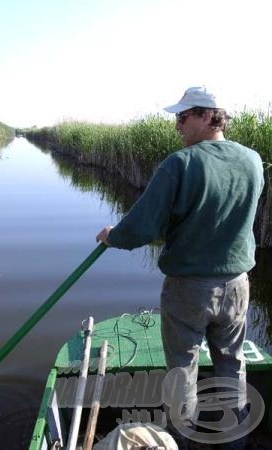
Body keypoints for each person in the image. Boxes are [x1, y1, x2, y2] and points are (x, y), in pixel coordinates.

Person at [95, 86, 265, 449]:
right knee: (231, 365)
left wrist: (113, 236)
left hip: (189, 288)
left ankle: (180, 443)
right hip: (237, 285)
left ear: (208, 116)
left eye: (183, 117)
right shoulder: (252, 159)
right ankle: (235, 443)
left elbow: (142, 226)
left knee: (182, 372)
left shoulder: (181, 163)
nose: (177, 126)